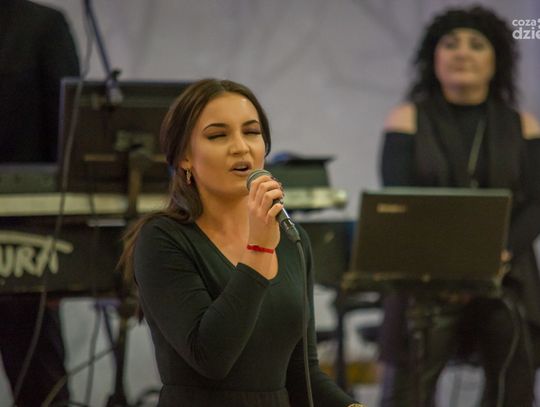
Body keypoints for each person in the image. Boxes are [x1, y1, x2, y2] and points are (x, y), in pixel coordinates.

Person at [119, 78, 364, 407]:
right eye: (218, 135)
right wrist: (259, 250)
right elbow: (211, 357)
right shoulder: (162, 239)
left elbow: (302, 374)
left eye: (251, 132)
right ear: (185, 157)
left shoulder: (291, 239)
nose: (240, 147)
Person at [378, 5, 540, 407]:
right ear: (433, 57)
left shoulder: (524, 125)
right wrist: (451, 261)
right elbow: (400, 199)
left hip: (506, 272)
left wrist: (499, 253)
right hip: (426, 273)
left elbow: (537, 201)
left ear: (496, 60)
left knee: (515, 379)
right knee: (407, 391)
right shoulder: (406, 118)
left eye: (476, 44)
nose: (462, 52)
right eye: (450, 44)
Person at [0, 0, 79, 405]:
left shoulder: (39, 26)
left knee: (39, 387)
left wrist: (64, 247)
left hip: (24, 241)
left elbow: (69, 140)